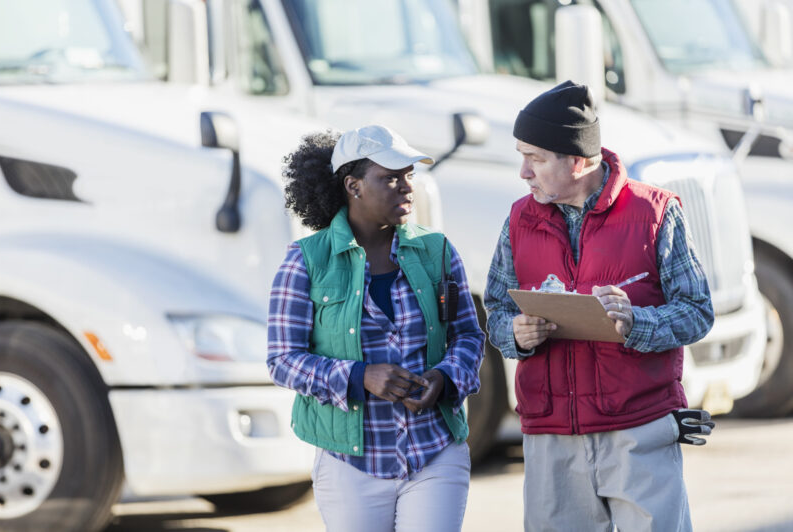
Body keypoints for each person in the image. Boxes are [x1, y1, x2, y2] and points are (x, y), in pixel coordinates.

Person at [484, 80, 715, 532]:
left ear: (579, 160)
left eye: (535, 158)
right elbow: (494, 311)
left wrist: (636, 322)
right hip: (551, 440)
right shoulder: (518, 219)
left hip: (639, 432)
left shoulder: (655, 213)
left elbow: (697, 310)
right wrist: (515, 334)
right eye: (522, 156)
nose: (524, 172)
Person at [267, 125, 485, 532]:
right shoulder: (305, 262)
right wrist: (359, 376)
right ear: (353, 186)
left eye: (408, 176)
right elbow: (282, 360)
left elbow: (468, 337)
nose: (406, 187)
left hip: (434, 450)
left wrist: (446, 377)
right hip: (350, 462)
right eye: (390, 178)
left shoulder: (437, 251)